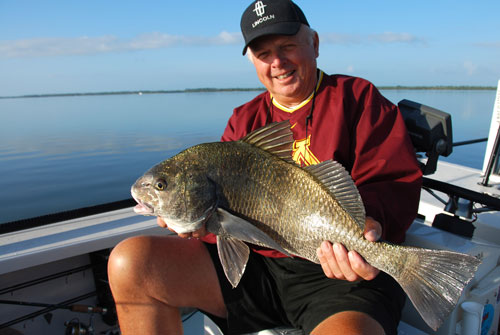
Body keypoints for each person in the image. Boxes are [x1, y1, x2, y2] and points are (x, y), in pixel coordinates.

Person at [107, 0, 422, 334]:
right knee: (131, 263)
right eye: (263, 53)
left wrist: (369, 223)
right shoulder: (244, 119)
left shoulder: (358, 99)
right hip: (257, 268)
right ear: (252, 62)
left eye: (287, 46)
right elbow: (226, 223)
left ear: (314, 43)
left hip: (339, 275)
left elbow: (394, 181)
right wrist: (197, 223)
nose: (277, 62)